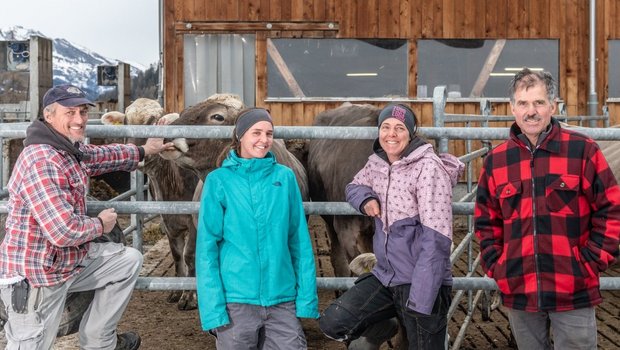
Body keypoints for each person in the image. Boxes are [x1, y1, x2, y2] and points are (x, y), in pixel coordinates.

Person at [0, 84, 175, 350]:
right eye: (70, 112)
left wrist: (144, 150)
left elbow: (100, 156)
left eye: (82, 111)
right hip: (36, 278)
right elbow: (63, 232)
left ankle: (98, 341)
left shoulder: (68, 150)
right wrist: (100, 224)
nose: (80, 119)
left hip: (65, 263)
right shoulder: (42, 160)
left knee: (126, 261)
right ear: (48, 116)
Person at [474, 68, 620, 349]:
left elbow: (611, 209)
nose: (532, 111)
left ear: (553, 106)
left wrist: (590, 262)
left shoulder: (582, 151)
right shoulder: (496, 161)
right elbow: (486, 222)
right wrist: (498, 265)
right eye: (524, 103)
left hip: (573, 287)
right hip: (519, 287)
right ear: (512, 108)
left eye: (539, 103)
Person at [319, 104, 464, 349]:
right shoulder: (377, 163)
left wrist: (420, 300)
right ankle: (386, 324)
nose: (391, 134)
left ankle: (408, 319)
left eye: (399, 128)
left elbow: (437, 240)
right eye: (385, 127)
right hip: (386, 277)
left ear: (411, 132)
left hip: (420, 281)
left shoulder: (428, 169)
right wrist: (366, 199)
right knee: (334, 322)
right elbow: (353, 186)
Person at [195, 107, 319, 349]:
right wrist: (213, 309)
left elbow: (299, 241)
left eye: (269, 134)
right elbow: (206, 249)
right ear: (240, 135)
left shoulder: (285, 177)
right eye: (256, 133)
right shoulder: (218, 181)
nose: (264, 140)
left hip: (282, 299)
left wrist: (306, 299)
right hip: (236, 301)